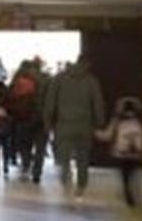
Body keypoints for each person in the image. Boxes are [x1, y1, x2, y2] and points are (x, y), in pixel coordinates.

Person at [45, 55, 105, 199]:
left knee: (64, 157)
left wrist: (48, 122)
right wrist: (99, 122)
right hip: (84, 125)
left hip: (63, 125)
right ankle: (81, 186)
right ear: (87, 64)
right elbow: (98, 103)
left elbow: (50, 102)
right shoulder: (91, 81)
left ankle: (66, 181)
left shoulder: (59, 79)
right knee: (83, 157)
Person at [98, 97, 142, 207]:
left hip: (121, 154)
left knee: (125, 176)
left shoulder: (117, 120)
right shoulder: (141, 120)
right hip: (137, 154)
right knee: (134, 175)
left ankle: (127, 194)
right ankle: (134, 194)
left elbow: (107, 135)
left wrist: (95, 133)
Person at [8, 61, 43, 181]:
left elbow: (10, 98)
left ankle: (26, 165)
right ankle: (37, 171)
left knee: (24, 144)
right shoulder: (40, 79)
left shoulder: (17, 80)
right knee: (39, 146)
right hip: (38, 117)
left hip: (21, 118)